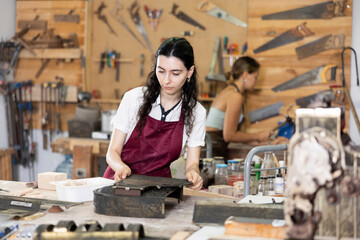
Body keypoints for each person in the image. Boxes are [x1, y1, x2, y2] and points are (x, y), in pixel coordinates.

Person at [103, 37, 206, 190]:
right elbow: (112, 152)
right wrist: (120, 167)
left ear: (189, 72)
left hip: (159, 188)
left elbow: (192, 163)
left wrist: (193, 173)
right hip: (119, 182)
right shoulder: (133, 99)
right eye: (161, 71)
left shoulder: (197, 112)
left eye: (175, 73)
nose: (166, 80)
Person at [206, 56, 275, 158]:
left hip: (211, 146)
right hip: (213, 149)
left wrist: (262, 143)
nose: (256, 81)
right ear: (245, 75)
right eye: (255, 77)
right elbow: (229, 135)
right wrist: (258, 135)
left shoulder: (228, 91)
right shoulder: (235, 97)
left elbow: (233, 135)